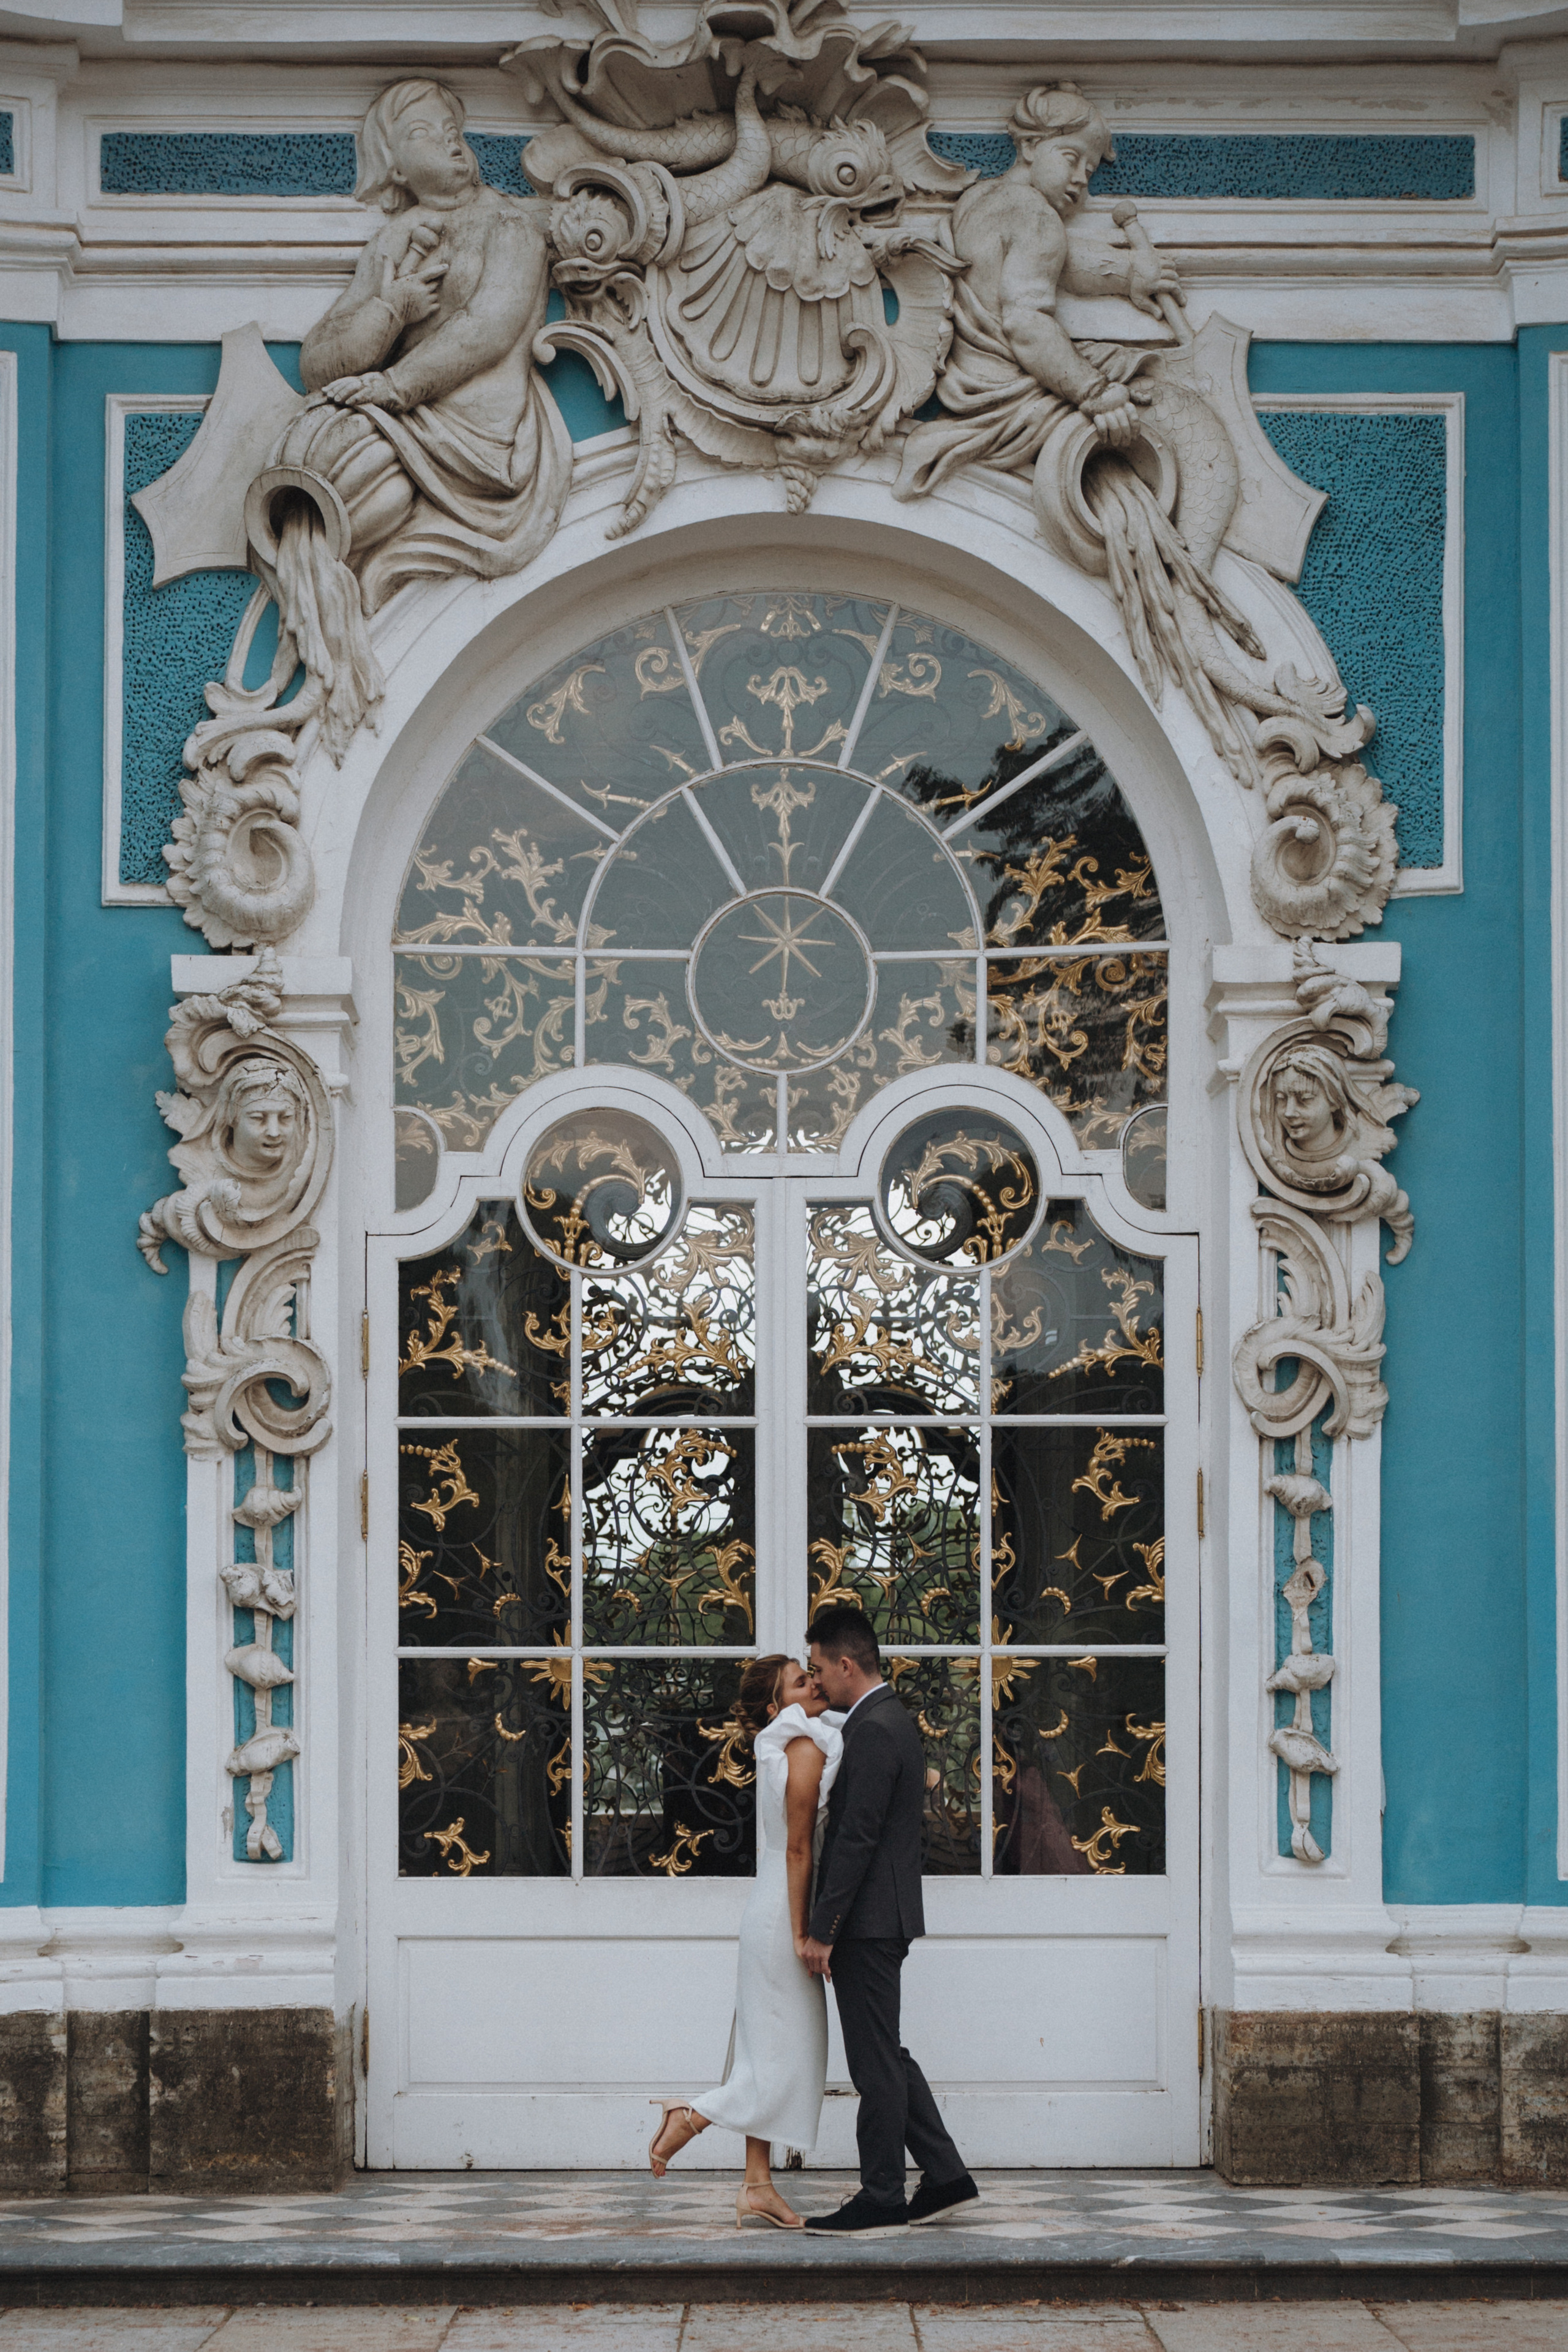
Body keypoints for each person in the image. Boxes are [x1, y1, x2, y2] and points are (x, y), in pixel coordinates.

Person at [645, 1656, 844, 2230]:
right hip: (785, 1917)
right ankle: (691, 2115)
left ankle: (758, 2186)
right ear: (774, 1706)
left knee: (768, 2053)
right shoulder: (802, 1747)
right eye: (800, 1681)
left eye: (812, 1674)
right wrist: (806, 1932)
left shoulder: (787, 1741)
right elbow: (799, 1850)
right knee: (786, 2061)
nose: (815, 1683)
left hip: (769, 1910)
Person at [798, 1605, 979, 2232]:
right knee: (886, 2055)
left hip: (869, 1921)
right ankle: (947, 2175)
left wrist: (825, 1927)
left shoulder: (874, 1728)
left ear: (846, 1663)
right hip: (881, 1917)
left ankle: (881, 2195)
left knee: (873, 2065)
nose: (816, 1680)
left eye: (819, 1668)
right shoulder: (882, 1719)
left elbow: (856, 1838)